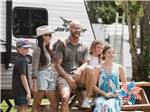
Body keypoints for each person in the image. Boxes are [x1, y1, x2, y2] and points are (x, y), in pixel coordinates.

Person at [54, 20, 95, 112]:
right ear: (69, 29)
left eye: (78, 28)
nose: (77, 30)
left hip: (78, 77)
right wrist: (68, 78)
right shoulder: (62, 44)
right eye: (74, 28)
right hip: (64, 76)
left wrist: (79, 69)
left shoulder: (84, 46)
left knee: (90, 69)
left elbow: (86, 63)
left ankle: (87, 101)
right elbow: (57, 65)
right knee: (64, 98)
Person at [93, 44, 127, 112]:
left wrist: (119, 92)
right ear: (103, 54)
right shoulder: (98, 68)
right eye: (109, 52)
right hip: (101, 96)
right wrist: (105, 94)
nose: (111, 54)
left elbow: (125, 86)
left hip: (115, 97)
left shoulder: (120, 68)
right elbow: (93, 86)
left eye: (113, 53)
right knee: (99, 104)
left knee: (108, 105)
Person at [32, 25, 58, 112]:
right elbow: (34, 67)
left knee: (54, 104)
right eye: (49, 35)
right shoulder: (37, 49)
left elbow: (55, 59)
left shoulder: (46, 48)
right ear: (43, 36)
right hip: (41, 75)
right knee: (37, 104)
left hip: (49, 75)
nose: (51, 37)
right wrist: (34, 84)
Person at [12, 39, 32, 112]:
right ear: (18, 48)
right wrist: (28, 91)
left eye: (28, 48)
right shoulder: (22, 60)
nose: (27, 50)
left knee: (20, 109)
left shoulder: (18, 58)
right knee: (23, 108)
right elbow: (23, 77)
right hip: (21, 90)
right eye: (25, 48)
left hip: (17, 89)